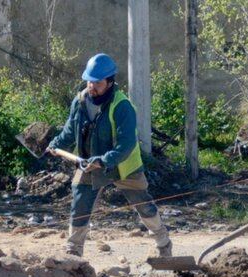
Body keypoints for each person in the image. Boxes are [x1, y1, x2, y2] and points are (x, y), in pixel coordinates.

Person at [48, 53, 172, 258]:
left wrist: (104, 160)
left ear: (110, 82)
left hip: (123, 166)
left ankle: (163, 243)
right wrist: (56, 143)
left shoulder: (122, 106)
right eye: (89, 81)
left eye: (97, 82)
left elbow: (126, 145)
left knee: (143, 204)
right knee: (79, 204)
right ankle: (73, 253)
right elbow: (70, 131)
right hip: (88, 163)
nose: (91, 86)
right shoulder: (79, 102)